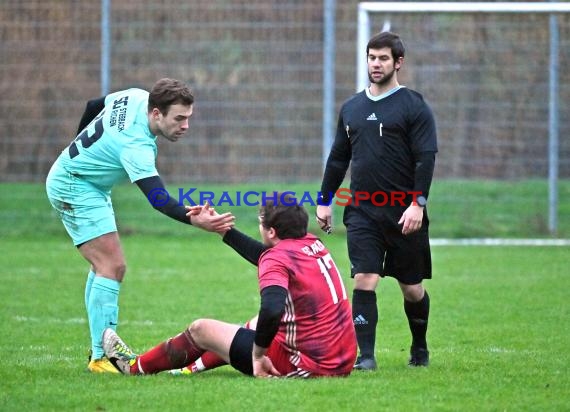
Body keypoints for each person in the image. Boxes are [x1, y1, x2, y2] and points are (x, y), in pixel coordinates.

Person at [46, 78, 235, 373]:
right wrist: (193, 218)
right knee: (112, 265)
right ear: (156, 113)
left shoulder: (136, 96)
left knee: (104, 265)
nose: (185, 126)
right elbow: (158, 198)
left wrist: (77, 148)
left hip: (86, 183)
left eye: (188, 117)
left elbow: (93, 106)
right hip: (74, 185)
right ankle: (100, 358)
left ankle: (99, 353)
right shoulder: (136, 145)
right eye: (179, 119)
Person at [102, 194, 357, 378]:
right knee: (255, 325)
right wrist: (224, 231)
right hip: (341, 360)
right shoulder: (312, 244)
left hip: (307, 364)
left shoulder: (277, 257)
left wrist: (258, 357)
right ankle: (189, 369)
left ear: (270, 232)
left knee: (201, 329)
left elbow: (273, 308)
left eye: (260, 222)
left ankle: (134, 367)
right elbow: (266, 259)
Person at [316, 32, 438, 369]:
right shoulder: (352, 107)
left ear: (398, 62)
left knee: (412, 289)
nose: (375, 64)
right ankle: (365, 357)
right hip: (363, 212)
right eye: (371, 57)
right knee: (364, 278)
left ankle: (419, 346)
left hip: (404, 212)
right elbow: (338, 158)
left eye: (383, 58)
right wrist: (324, 200)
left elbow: (425, 158)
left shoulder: (414, 105)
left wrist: (418, 204)